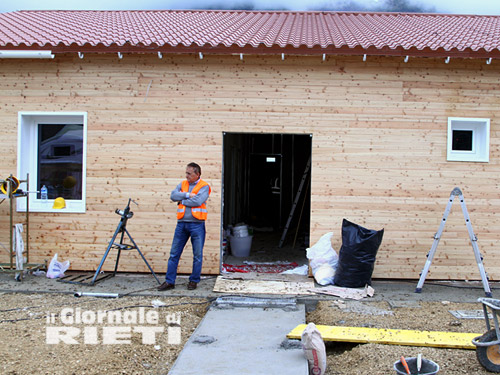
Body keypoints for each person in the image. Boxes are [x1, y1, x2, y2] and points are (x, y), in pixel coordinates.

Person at [158, 162, 211, 291]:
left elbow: (198, 201)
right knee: (174, 254)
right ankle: (169, 281)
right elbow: (173, 196)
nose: (186, 175)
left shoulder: (204, 186)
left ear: (197, 174)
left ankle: (193, 281)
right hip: (181, 224)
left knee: (197, 255)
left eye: (189, 173)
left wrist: (181, 201)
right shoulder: (183, 184)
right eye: (186, 173)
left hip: (197, 225)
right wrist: (187, 195)